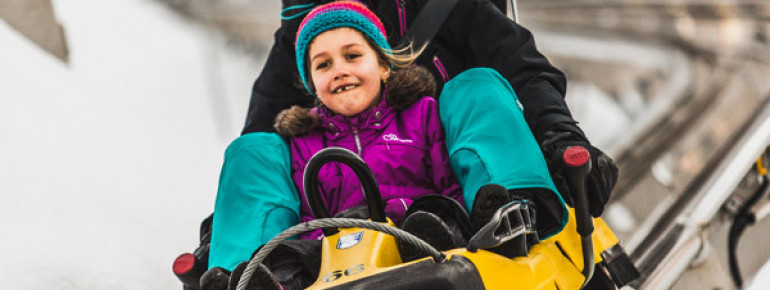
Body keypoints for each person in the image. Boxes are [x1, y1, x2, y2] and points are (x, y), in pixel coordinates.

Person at [203, 0, 619, 287]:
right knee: (254, 149)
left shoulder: (441, 45)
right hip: (329, 246)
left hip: (438, 210)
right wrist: (227, 224)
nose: (337, 69)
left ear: (383, 64)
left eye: (351, 56)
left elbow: (524, 71)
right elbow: (258, 150)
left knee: (474, 87)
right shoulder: (305, 29)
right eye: (324, 64)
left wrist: (559, 135)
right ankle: (249, 269)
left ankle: (512, 210)